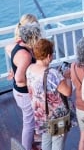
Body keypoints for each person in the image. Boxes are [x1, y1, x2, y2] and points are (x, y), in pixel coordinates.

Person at [26, 38, 72, 150]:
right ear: (48, 56)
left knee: (46, 139)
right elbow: (68, 92)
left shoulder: (30, 68)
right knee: (57, 142)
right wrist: (67, 78)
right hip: (55, 116)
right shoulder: (52, 74)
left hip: (40, 113)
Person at [10, 22, 42, 150]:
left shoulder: (18, 46)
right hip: (23, 93)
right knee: (28, 124)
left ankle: (32, 144)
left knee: (30, 122)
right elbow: (19, 78)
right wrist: (31, 82)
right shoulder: (26, 55)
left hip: (19, 92)